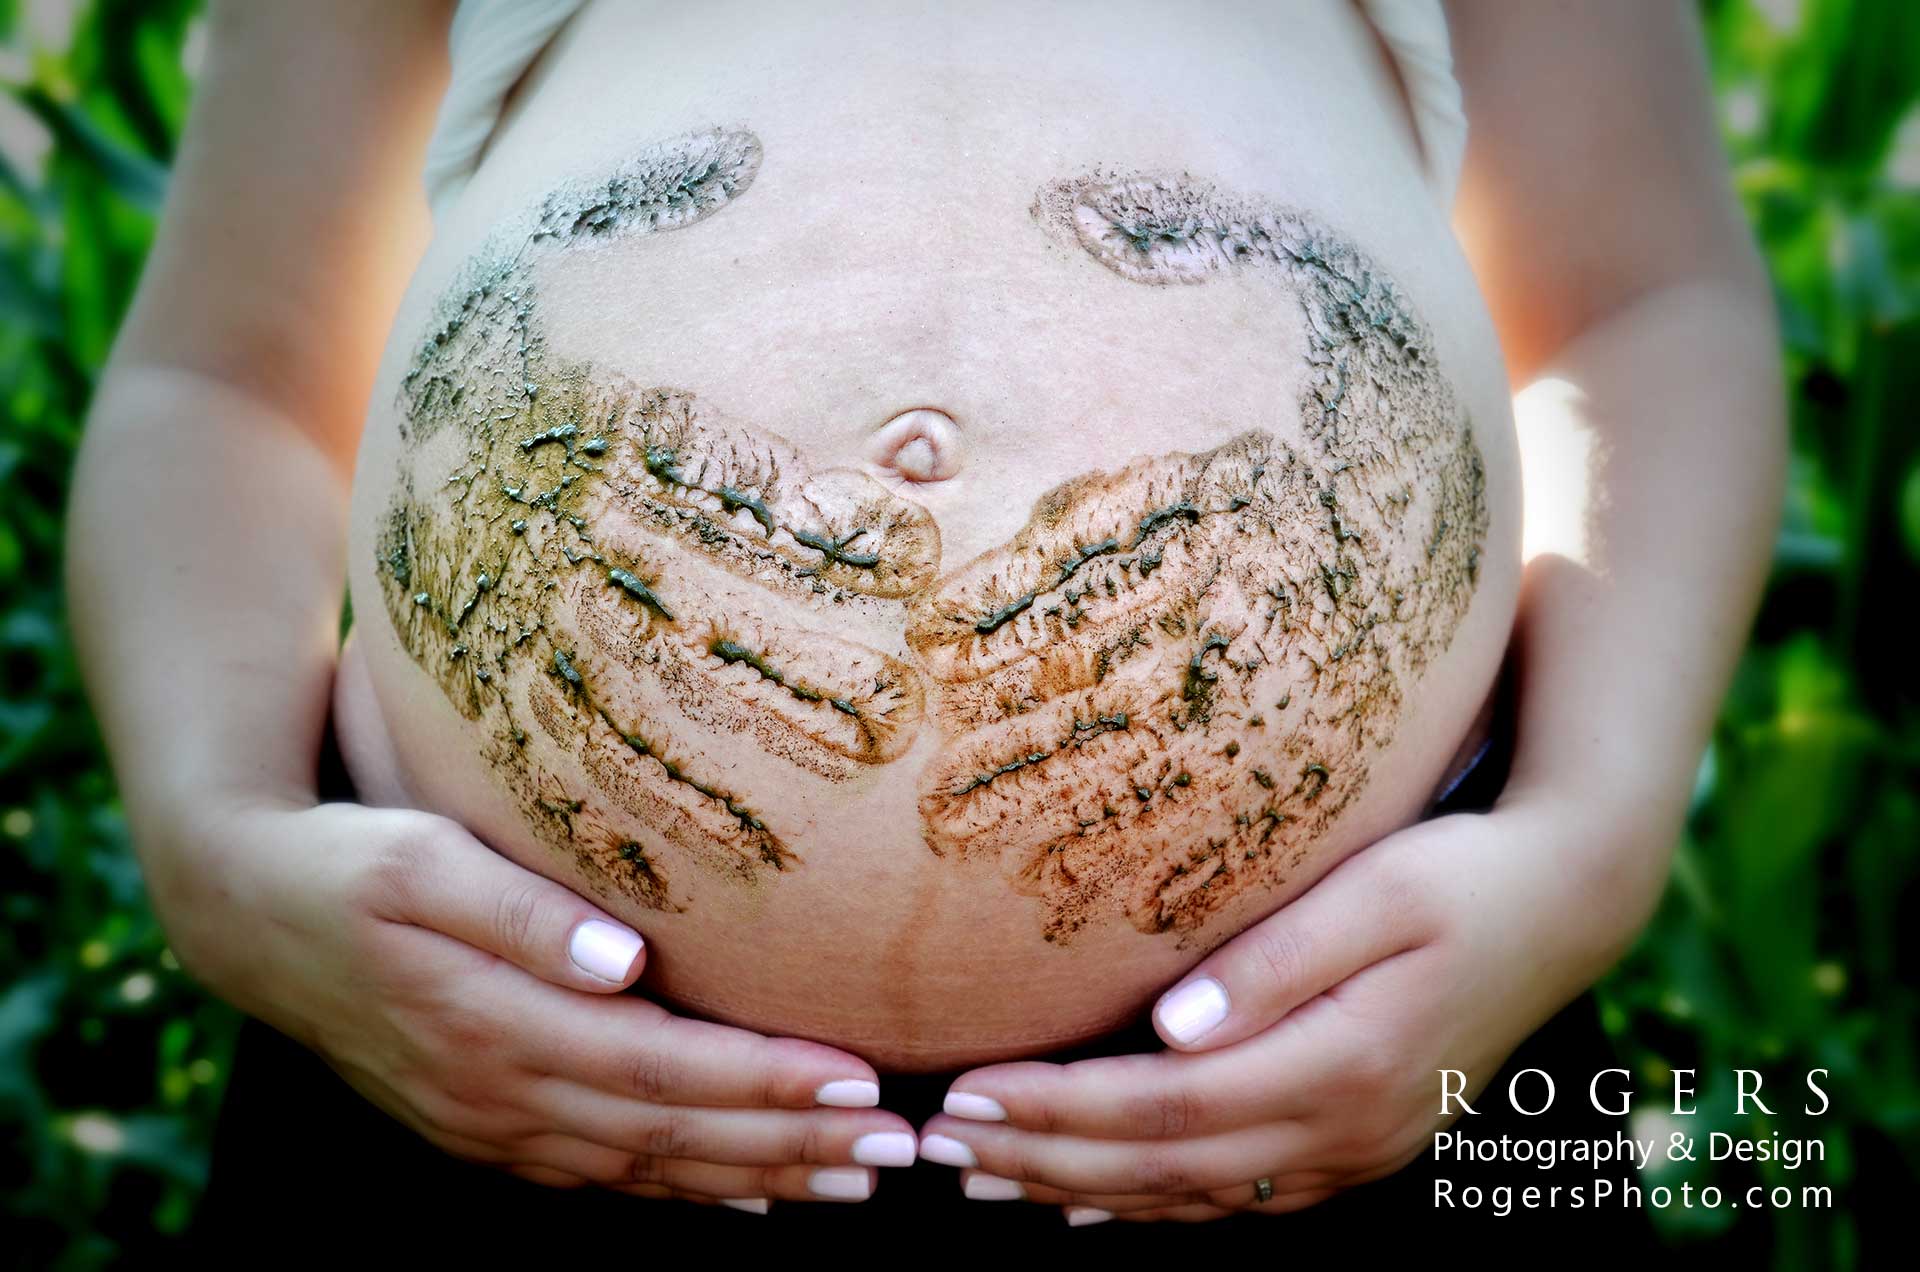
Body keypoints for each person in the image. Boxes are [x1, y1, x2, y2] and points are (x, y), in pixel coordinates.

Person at [64, 0, 1782, 1247]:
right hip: (485, 1050)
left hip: (1357, 1042)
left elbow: (1639, 301)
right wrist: (221, 850)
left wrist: (1582, 855)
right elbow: (232, 380)